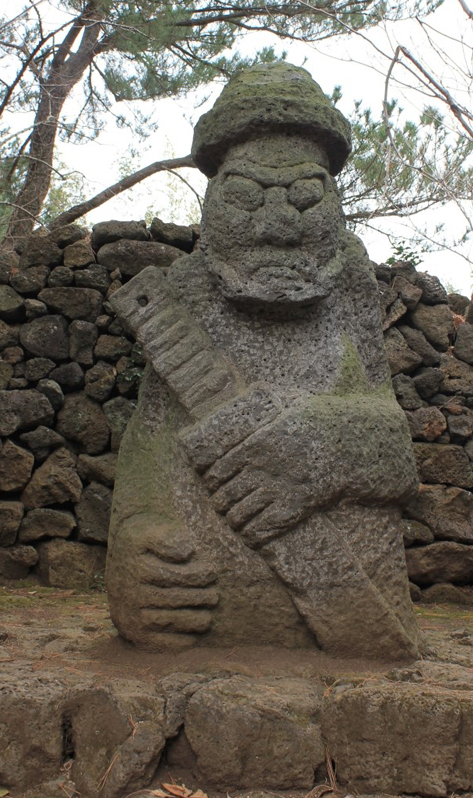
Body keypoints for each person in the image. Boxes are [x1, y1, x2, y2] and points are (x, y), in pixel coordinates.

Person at [107, 63, 422, 659]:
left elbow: (397, 459)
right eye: (245, 196)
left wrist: (323, 441)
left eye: (306, 197)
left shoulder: (350, 282)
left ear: (334, 199)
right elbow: (149, 451)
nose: (278, 225)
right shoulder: (184, 295)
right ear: (211, 195)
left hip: (348, 613)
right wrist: (135, 546)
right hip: (200, 622)